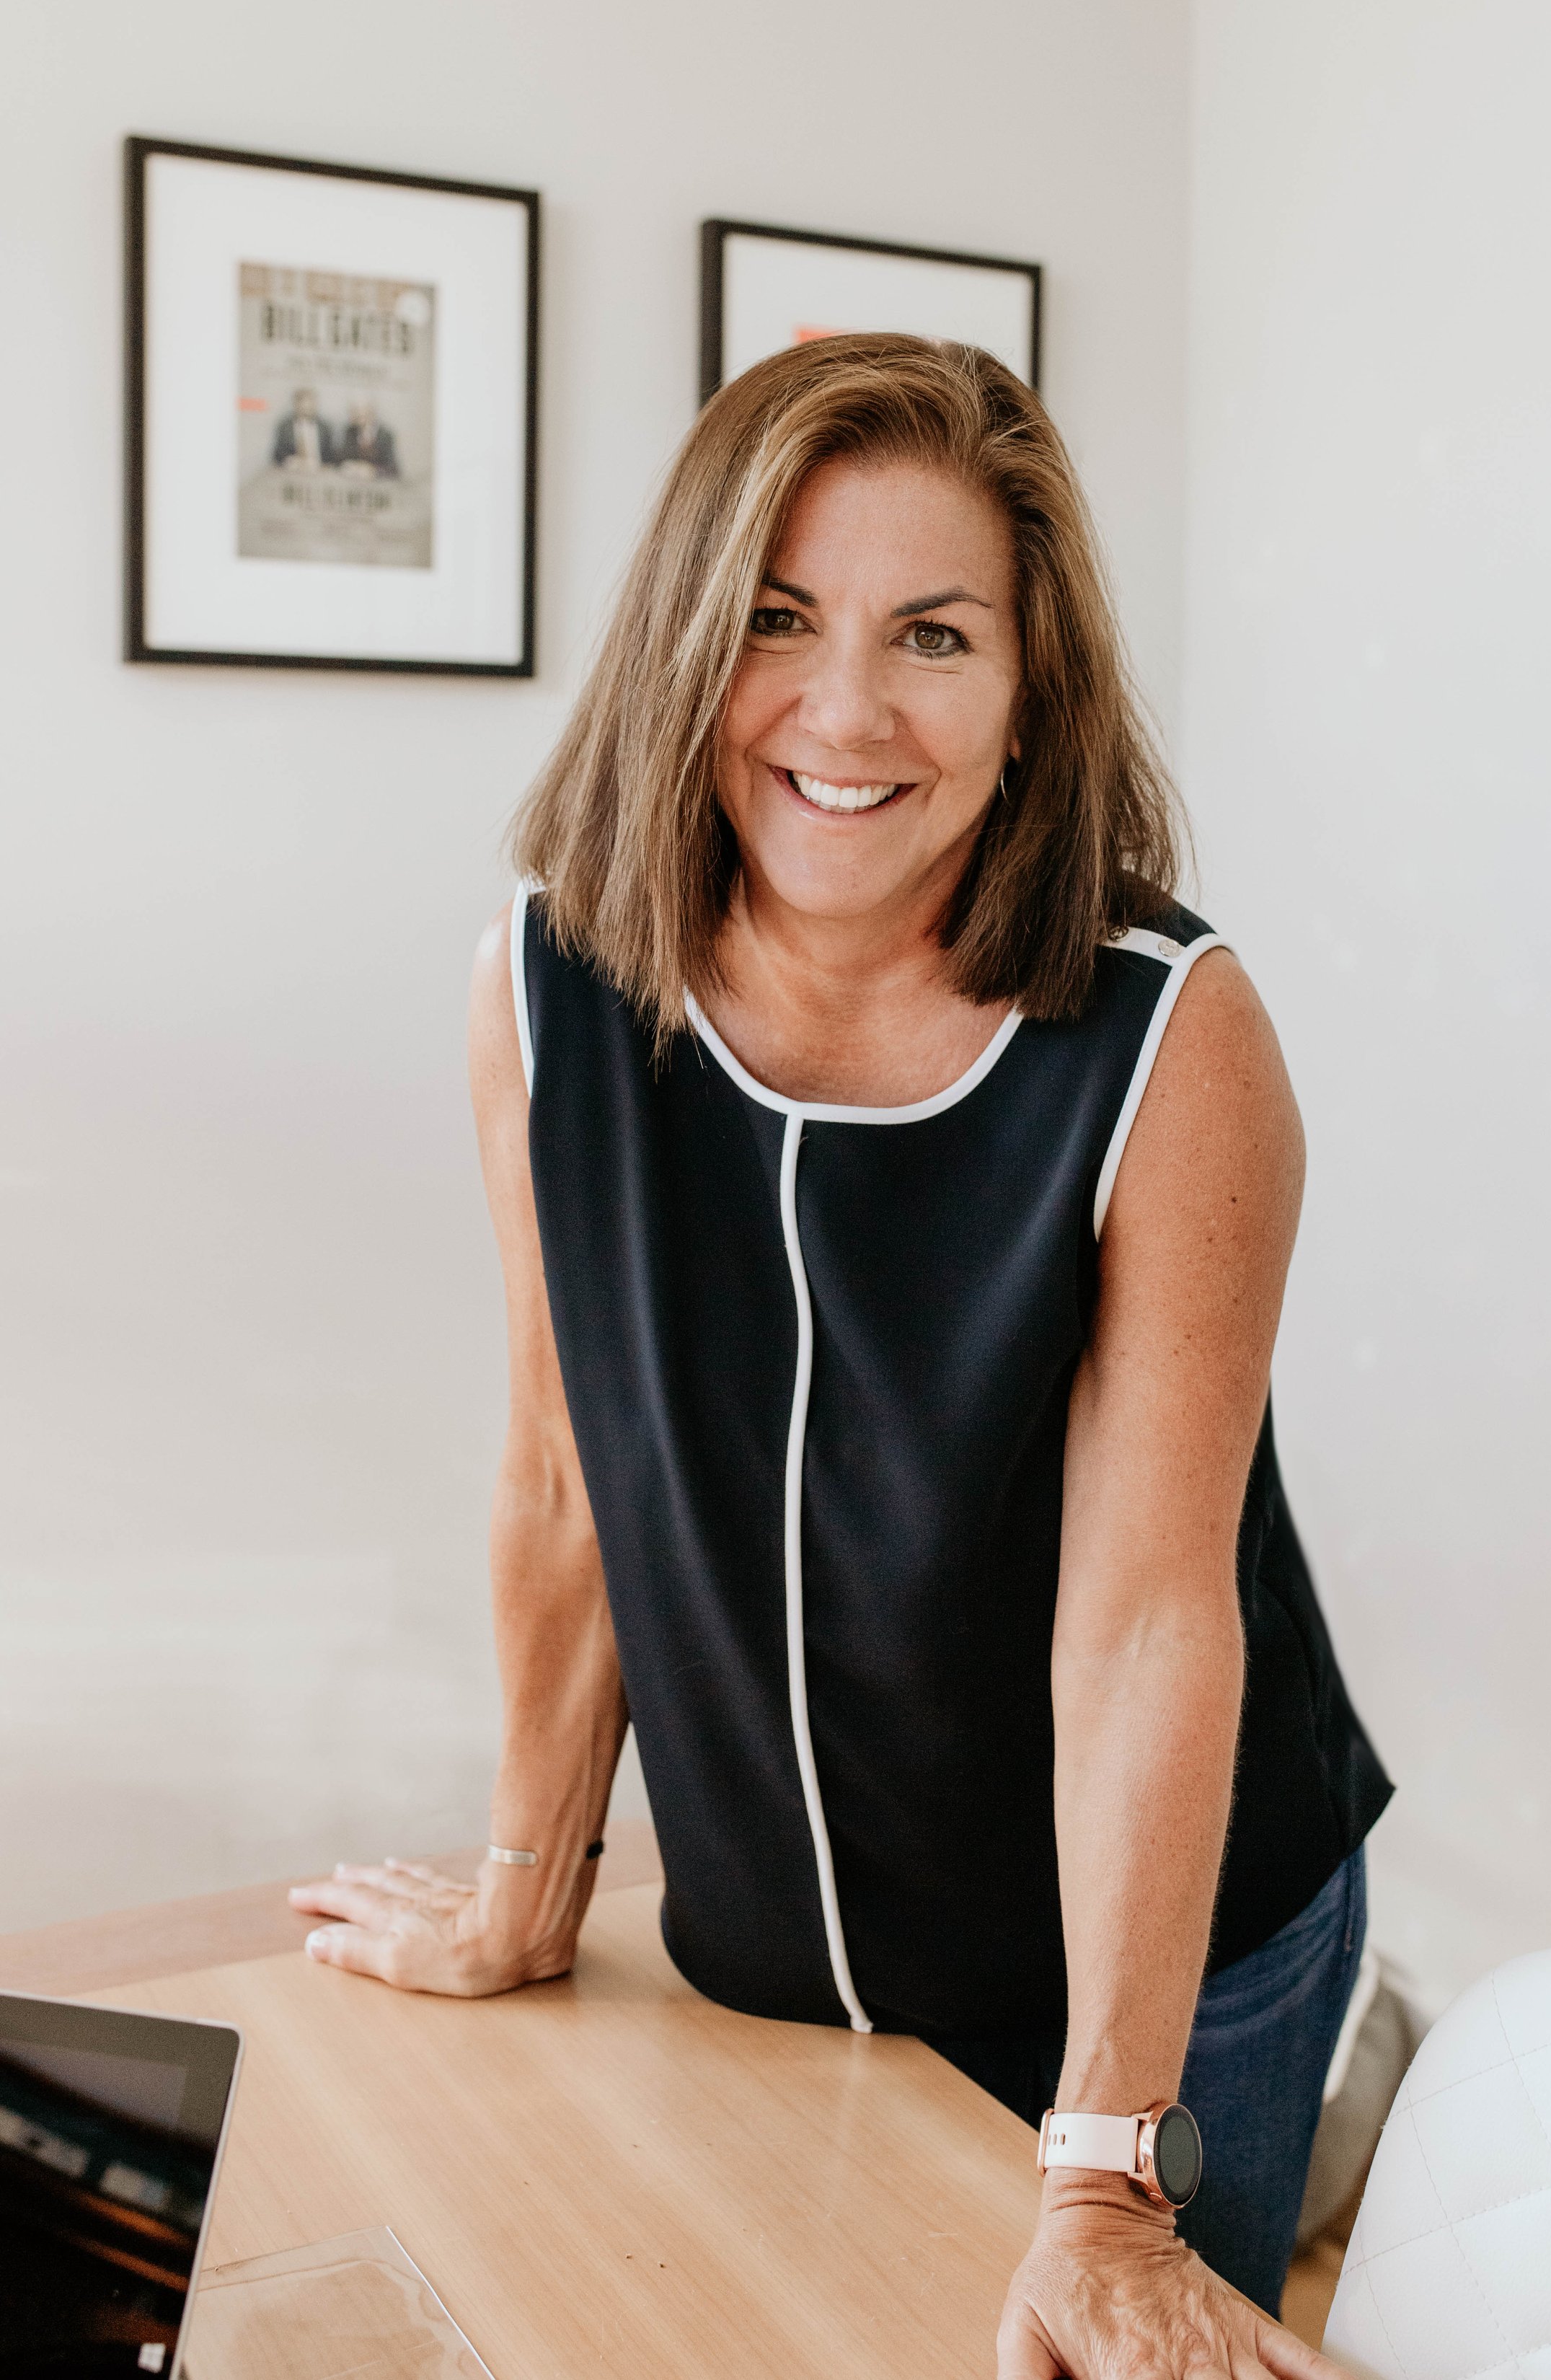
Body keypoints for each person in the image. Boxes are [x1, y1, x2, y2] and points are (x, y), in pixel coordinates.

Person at [291, 337, 1389, 2379]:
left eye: (934, 634)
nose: (845, 710)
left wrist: (1102, 2172)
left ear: (1031, 685)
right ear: (688, 635)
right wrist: (534, 1876)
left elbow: (1149, 1619)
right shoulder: (545, 978)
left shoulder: (1171, 1036)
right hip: (761, 1949)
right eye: (779, 619)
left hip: (1145, 1988)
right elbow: (562, 1464)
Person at [270, 387, 331, 468]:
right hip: (292, 470)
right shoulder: (285, 426)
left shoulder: (324, 427)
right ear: (296, 404)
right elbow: (278, 454)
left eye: (312, 402)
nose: (308, 406)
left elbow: (330, 455)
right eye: (304, 402)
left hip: (318, 470)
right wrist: (292, 461)